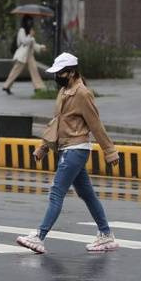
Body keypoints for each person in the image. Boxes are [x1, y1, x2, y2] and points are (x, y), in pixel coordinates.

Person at [15, 52, 121, 254]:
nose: (57, 77)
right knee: (87, 194)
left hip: (76, 149)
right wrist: (43, 147)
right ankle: (106, 234)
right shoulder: (65, 91)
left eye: (60, 73)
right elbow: (56, 122)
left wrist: (110, 151)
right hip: (66, 148)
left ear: (71, 73)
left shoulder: (83, 94)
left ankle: (39, 236)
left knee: (56, 192)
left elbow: (96, 125)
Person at [2, 15, 46, 95]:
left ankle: (38, 87)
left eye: (31, 21)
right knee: (16, 70)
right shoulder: (22, 30)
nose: (30, 23)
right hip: (22, 55)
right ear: (25, 21)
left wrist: (41, 47)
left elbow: (33, 44)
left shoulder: (30, 30)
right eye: (29, 21)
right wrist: (30, 35)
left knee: (34, 71)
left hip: (29, 55)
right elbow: (23, 41)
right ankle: (6, 86)